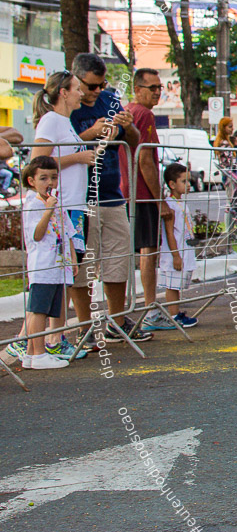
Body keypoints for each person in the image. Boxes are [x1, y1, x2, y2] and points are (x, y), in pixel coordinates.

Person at [69, 52, 151, 346]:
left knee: (119, 259)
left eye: (101, 85)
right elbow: (58, 148)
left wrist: (127, 126)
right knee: (83, 265)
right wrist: (90, 133)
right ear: (75, 80)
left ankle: (117, 321)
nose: (97, 91)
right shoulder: (67, 106)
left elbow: (133, 141)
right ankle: (84, 326)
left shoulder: (110, 99)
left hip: (112, 193)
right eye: (91, 86)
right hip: (80, 197)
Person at [15, 70, 92, 362]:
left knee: (65, 273)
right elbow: (40, 162)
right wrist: (78, 157)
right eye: (76, 88)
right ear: (63, 92)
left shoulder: (65, 122)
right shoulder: (50, 120)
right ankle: (35, 341)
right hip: (63, 205)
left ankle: (47, 340)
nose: (81, 93)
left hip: (70, 205)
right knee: (53, 277)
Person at [120, 69, 174, 333]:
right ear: (137, 89)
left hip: (130, 193)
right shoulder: (143, 114)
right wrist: (160, 200)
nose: (157, 92)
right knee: (148, 251)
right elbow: (146, 161)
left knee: (142, 251)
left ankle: (142, 308)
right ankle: (151, 308)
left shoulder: (131, 112)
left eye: (159, 87)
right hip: (141, 194)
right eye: (151, 87)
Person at [19, 156, 77, 369]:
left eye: (53, 177)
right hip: (42, 266)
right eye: (43, 178)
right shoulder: (33, 203)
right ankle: (38, 353)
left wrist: (73, 259)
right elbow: (36, 234)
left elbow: (68, 232)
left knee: (50, 308)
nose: (50, 182)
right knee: (38, 311)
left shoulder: (56, 202)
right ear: (31, 181)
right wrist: (47, 211)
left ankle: (31, 355)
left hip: (58, 265)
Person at [159, 163, 198, 328]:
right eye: (184, 181)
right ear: (172, 184)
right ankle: (174, 315)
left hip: (185, 249)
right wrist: (175, 255)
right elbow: (169, 232)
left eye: (189, 181)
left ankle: (177, 313)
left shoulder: (181, 202)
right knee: (172, 285)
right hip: (175, 253)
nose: (188, 185)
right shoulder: (170, 206)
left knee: (178, 284)